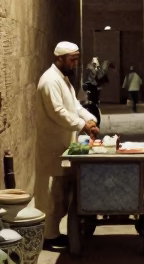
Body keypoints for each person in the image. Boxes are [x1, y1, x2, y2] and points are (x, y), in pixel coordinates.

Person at [34, 40, 100, 250]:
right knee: (52, 193)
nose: (75, 64)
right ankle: (48, 236)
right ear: (59, 59)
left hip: (64, 144)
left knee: (61, 193)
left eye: (77, 60)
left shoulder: (63, 80)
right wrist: (83, 125)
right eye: (72, 60)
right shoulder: (49, 81)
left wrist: (90, 119)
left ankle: (54, 233)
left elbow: (75, 106)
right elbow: (58, 112)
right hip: (52, 145)